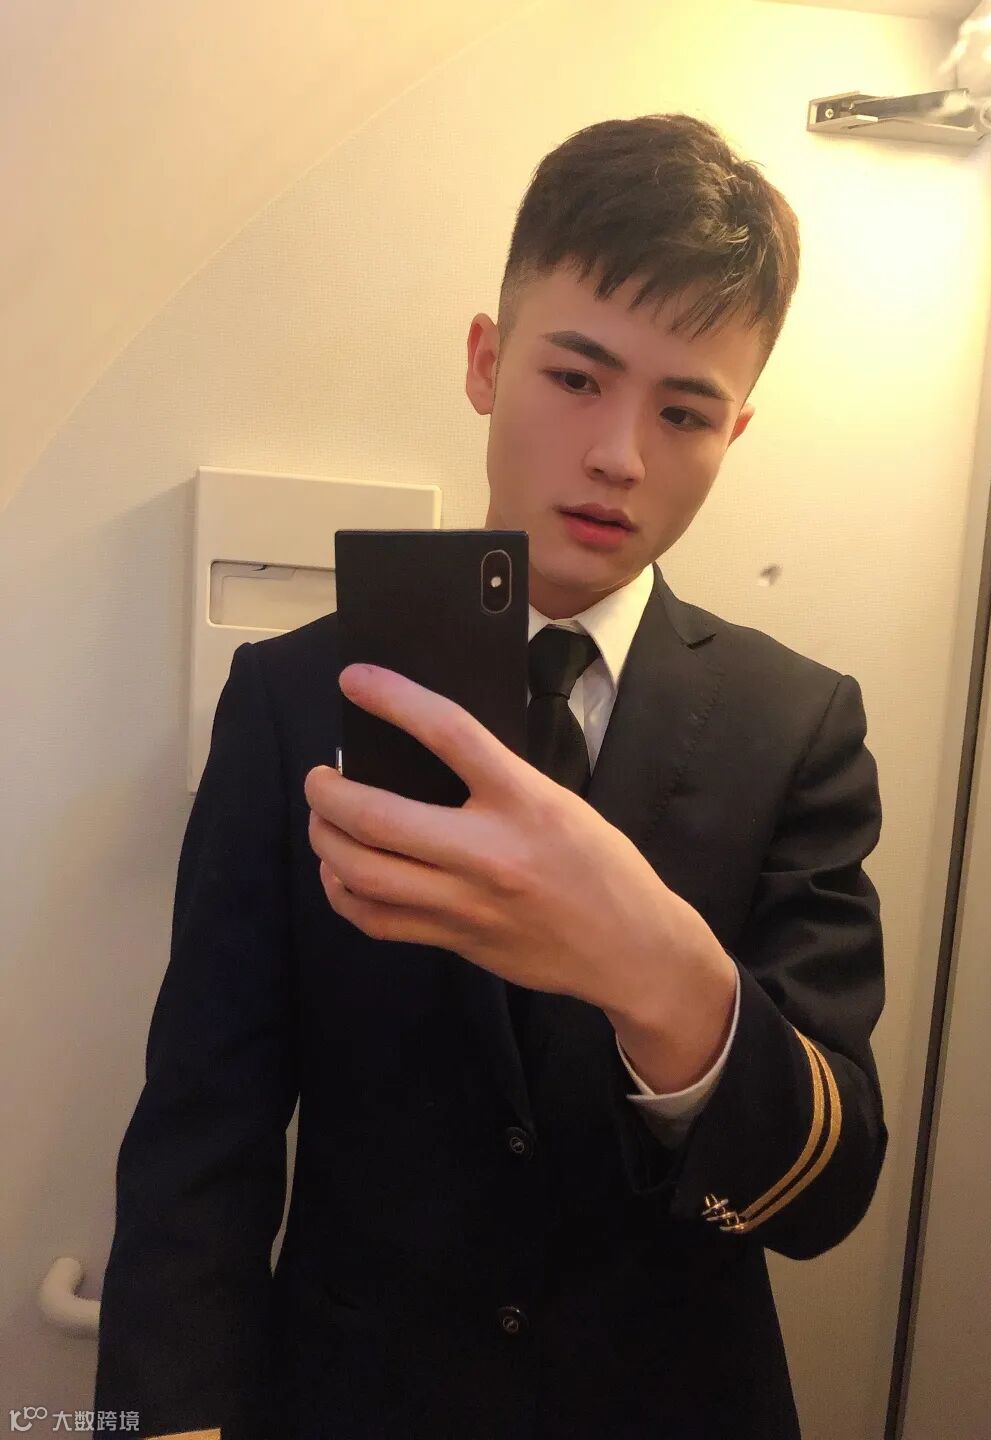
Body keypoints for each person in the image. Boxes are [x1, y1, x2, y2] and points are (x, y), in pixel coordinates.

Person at [94, 112, 887, 1439]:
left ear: (735, 429)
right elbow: (202, 1134)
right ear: (485, 360)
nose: (620, 454)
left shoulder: (797, 725)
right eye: (576, 376)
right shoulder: (296, 699)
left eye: (684, 410)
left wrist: (654, 970)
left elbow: (825, 1193)